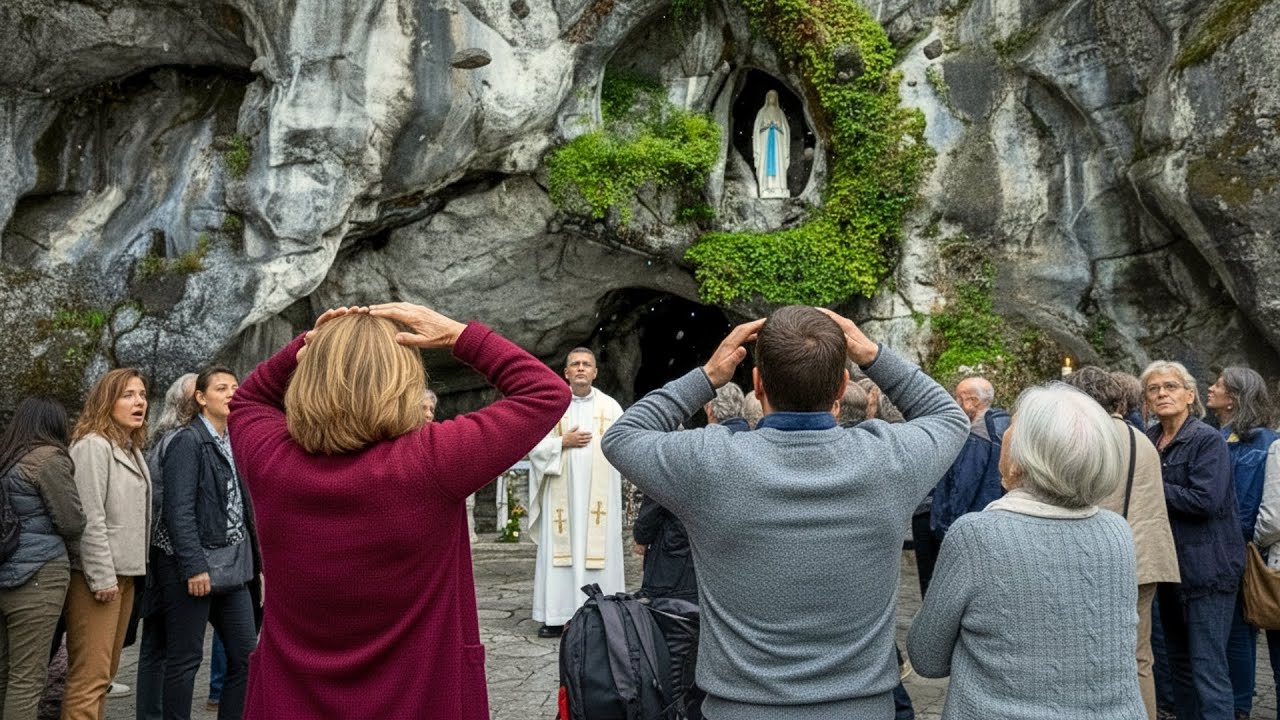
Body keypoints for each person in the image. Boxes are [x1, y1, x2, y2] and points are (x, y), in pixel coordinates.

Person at [602, 306, 969, 719]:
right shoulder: (888, 460)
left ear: (757, 384)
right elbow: (949, 417)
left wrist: (707, 376)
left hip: (740, 711)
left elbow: (622, 437)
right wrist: (872, 355)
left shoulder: (711, 462)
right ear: (842, 385)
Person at [227, 304, 568, 719]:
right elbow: (546, 393)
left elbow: (247, 399)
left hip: (290, 702)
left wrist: (309, 343)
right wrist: (458, 335)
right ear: (404, 384)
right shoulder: (431, 461)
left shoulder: (271, 462)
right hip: (420, 701)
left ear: (306, 376)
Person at [907, 382, 1146, 719]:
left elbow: (927, 658)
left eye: (1012, 426)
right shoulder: (1116, 532)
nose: (1004, 432)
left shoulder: (977, 536)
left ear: (1023, 459)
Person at [1062, 366, 1180, 720]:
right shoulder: (1139, 437)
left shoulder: (1089, 436)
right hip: (1145, 560)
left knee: (1087, 653)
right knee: (1140, 657)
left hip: (1101, 560)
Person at [149, 365, 258, 720]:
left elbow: (245, 508)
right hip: (192, 566)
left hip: (233, 566)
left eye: (235, 387)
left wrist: (258, 564)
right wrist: (194, 566)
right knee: (185, 659)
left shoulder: (236, 440)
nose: (231, 393)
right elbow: (178, 511)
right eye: (221, 388)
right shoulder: (187, 441)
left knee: (246, 655)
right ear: (200, 397)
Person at [1142, 360, 1238, 720]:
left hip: (1208, 570)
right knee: (1178, 665)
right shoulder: (1149, 440)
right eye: (1154, 389)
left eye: (1170, 386)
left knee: (1208, 670)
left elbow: (1205, 501)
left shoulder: (1207, 440)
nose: (1162, 394)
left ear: (1189, 395)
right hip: (1168, 567)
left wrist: (1150, 487)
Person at [64, 369, 152, 720]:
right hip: (99, 578)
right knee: (89, 678)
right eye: (128, 395)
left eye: (142, 394)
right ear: (106, 401)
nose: (139, 402)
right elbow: (90, 517)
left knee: (105, 676)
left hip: (125, 573)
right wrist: (101, 577)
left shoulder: (129, 448)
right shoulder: (91, 446)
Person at [527, 347, 625, 638]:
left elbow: (626, 445)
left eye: (586, 364)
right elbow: (532, 446)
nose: (581, 368)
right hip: (562, 499)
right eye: (575, 364)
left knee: (599, 549)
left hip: (600, 503)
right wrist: (562, 442)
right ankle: (556, 616)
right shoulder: (552, 406)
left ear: (595, 372)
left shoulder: (612, 408)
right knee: (561, 551)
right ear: (566, 373)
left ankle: (603, 616)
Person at [0, 398, 85, 720]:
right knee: (27, 678)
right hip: (38, 576)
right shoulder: (49, 459)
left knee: (4, 672)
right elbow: (71, 522)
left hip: (5, 572)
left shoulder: (7, 458)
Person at [1207, 367, 1279, 719]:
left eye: (1218, 385)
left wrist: (1244, 542)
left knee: (1240, 628)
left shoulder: (1256, 443)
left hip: (1241, 548)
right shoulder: (1233, 437)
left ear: (1234, 398)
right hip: (1243, 547)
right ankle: (1240, 704)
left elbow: (1247, 505)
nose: (1210, 388)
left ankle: (1239, 705)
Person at [135, 372, 197, 720]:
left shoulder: (161, 439)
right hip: (169, 553)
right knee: (163, 647)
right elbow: (174, 506)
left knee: (156, 644)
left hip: (162, 552)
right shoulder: (179, 441)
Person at [929, 377, 1010, 549]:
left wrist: (946, 530)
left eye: (959, 398)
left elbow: (962, 487)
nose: (955, 403)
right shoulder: (1002, 425)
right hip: (994, 521)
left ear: (974, 401)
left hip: (969, 529)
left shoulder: (977, 437)